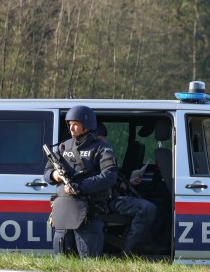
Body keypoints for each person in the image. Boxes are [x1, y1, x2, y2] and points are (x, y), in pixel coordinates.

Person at [44, 106, 117, 257]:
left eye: (75, 124)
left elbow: (109, 176)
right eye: (70, 124)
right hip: (64, 210)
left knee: (89, 260)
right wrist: (54, 175)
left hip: (88, 211)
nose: (71, 128)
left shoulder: (101, 148)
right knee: (62, 258)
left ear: (87, 125)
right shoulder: (62, 147)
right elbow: (46, 173)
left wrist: (80, 187)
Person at [96, 122, 157, 255]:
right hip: (104, 200)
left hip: (113, 195)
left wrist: (128, 182)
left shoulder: (103, 153)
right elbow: (100, 182)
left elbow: (112, 178)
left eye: (104, 138)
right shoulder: (89, 157)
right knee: (146, 208)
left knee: (154, 202)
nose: (104, 141)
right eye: (100, 138)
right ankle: (128, 252)